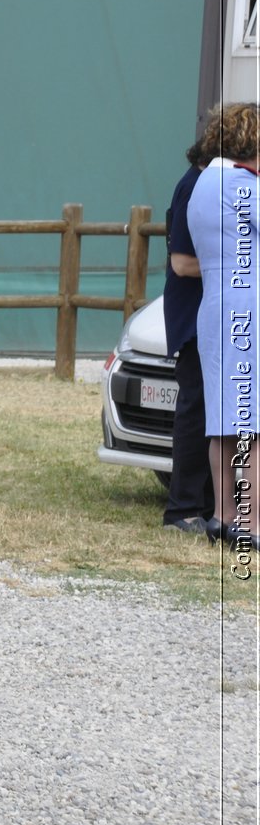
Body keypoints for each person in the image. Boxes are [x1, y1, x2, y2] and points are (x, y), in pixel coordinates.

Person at [178, 102, 260, 546]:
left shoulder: (205, 182)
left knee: (223, 422)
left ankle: (222, 517)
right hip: (250, 307)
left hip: (215, 307)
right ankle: (251, 525)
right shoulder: (243, 185)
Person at [161, 128, 216, 534]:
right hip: (195, 319)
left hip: (211, 316)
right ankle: (182, 510)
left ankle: (211, 506)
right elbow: (182, 262)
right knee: (195, 410)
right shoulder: (194, 187)